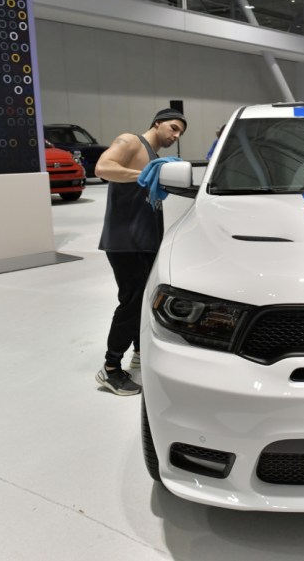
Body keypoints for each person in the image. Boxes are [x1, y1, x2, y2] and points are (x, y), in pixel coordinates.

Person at [94, 108, 187, 395]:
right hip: (126, 242)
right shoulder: (130, 141)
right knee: (132, 303)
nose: (175, 135)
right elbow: (102, 168)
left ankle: (139, 351)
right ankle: (110, 369)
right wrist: (145, 174)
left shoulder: (156, 158)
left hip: (145, 241)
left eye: (180, 132)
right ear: (157, 123)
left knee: (146, 302)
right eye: (173, 127)